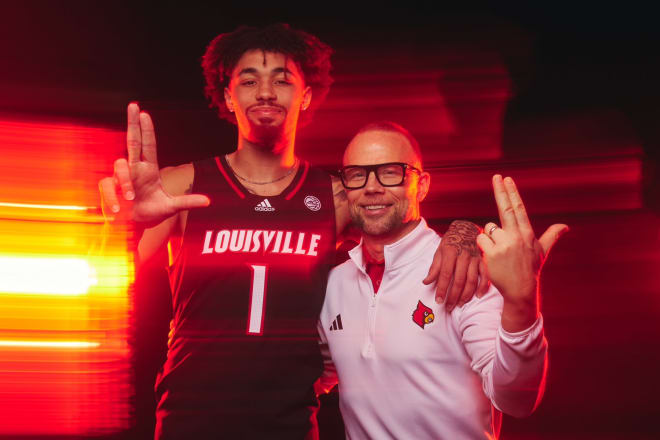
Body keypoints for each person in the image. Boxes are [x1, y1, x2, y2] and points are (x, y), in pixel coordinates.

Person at [99, 24, 486, 439]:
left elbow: (407, 227)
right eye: (248, 80)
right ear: (228, 96)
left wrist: (467, 232)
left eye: (282, 80)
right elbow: (108, 284)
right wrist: (121, 224)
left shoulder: (336, 196)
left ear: (305, 96)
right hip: (189, 417)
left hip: (290, 421)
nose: (265, 92)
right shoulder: (181, 186)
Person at [318, 121, 568, 439]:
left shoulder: (464, 267)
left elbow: (516, 400)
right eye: (357, 174)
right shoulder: (333, 285)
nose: (372, 187)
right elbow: (312, 378)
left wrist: (521, 304)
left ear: (421, 185)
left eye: (391, 172)